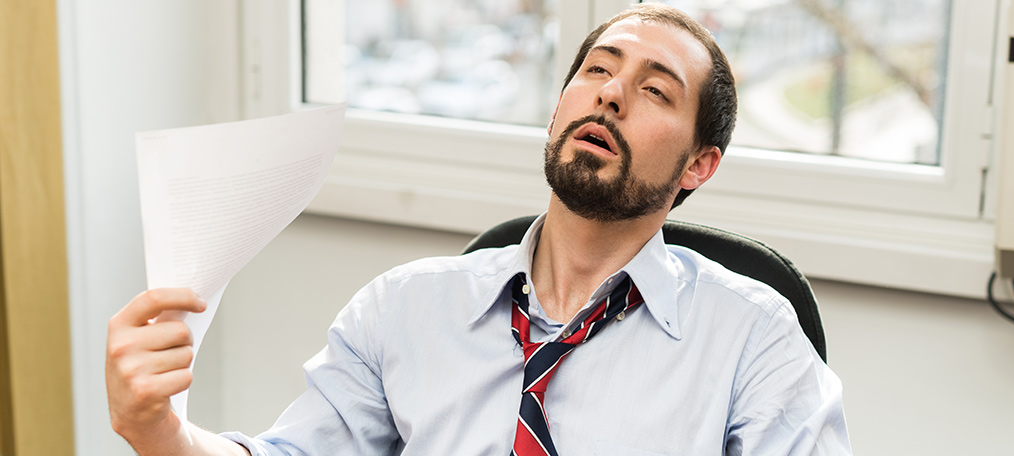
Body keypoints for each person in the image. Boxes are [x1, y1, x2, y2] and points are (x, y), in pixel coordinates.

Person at [106, 4, 852, 455]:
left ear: (697, 165)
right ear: (559, 108)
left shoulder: (753, 338)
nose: (612, 95)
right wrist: (160, 433)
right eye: (597, 71)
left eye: (655, 90)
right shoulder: (402, 308)